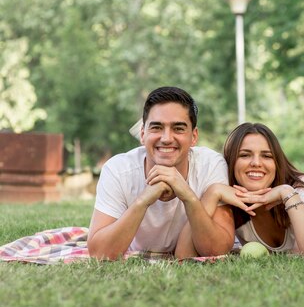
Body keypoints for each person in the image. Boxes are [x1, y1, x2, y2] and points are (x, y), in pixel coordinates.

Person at [87, 86, 250, 259]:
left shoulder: (211, 165)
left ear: (194, 136)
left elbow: (217, 250)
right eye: (156, 127)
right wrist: (143, 200)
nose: (166, 138)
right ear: (143, 134)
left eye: (178, 128)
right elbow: (99, 253)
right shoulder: (117, 169)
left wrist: (188, 196)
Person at [175, 122, 304, 257]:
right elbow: (183, 255)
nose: (256, 163)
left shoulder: (300, 187)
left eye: (266, 156)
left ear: (277, 162)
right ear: (231, 162)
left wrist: (286, 193)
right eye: (245, 155)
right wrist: (212, 193)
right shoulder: (225, 196)